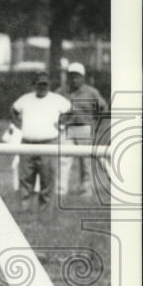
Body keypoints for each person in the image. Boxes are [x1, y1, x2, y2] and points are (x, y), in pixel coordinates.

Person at [10, 72, 71, 210]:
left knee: (47, 179)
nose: (42, 87)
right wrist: (18, 124)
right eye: (40, 84)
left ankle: (45, 212)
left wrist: (62, 125)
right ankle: (24, 210)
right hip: (27, 143)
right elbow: (13, 110)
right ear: (34, 85)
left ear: (49, 85)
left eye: (45, 84)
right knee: (25, 178)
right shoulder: (25, 99)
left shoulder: (57, 99)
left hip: (49, 143)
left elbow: (71, 113)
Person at [58, 62, 108, 197]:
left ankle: (85, 190)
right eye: (71, 76)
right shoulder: (61, 91)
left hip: (85, 128)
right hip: (66, 128)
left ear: (83, 77)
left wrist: (97, 125)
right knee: (64, 159)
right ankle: (61, 190)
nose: (74, 79)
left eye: (77, 76)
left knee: (86, 162)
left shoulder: (91, 92)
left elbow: (103, 108)